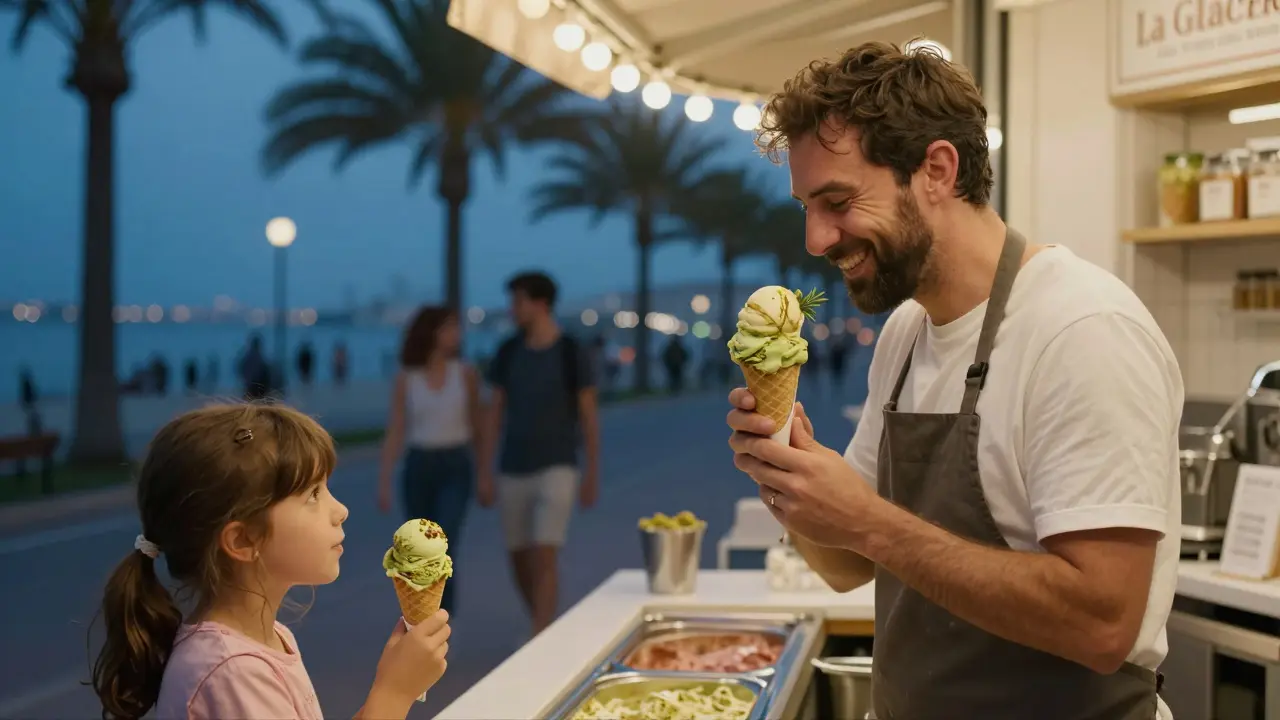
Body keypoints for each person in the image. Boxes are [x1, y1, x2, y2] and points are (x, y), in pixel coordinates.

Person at [726, 42, 1182, 720]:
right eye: (805, 207)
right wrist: (786, 473)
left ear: (937, 170)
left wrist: (872, 525)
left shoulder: (1082, 329)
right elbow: (848, 564)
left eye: (838, 201)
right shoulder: (907, 335)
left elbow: (1103, 624)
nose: (816, 240)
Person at [91, 403, 451, 720]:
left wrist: (395, 681)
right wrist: (393, 694)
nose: (341, 510)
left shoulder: (264, 642)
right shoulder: (231, 673)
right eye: (313, 495)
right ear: (243, 540)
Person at [482, 271, 600, 635]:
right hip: (513, 465)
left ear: (541, 303)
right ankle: (544, 623)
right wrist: (484, 470)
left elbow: (588, 415)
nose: (512, 309)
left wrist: (592, 471)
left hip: (558, 464)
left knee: (544, 553)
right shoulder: (508, 351)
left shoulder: (569, 352)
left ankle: (539, 633)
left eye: (518, 301)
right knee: (518, 557)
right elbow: (494, 412)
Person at [378, 306, 483, 616]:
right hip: (419, 466)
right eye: (450, 327)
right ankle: (421, 616)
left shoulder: (465, 374)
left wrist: (485, 472)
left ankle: (442, 619)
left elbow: (478, 423)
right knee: (418, 553)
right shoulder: (407, 378)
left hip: (456, 464)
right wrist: (384, 479)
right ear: (432, 332)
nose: (457, 334)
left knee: (443, 544)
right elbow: (397, 429)